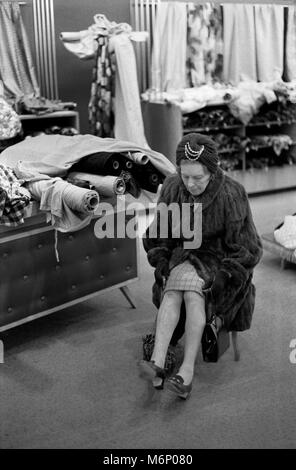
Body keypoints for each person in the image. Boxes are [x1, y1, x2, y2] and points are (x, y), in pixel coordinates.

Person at [139, 132, 263, 399]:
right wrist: (161, 257)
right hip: (184, 255)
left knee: (194, 296)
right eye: (185, 176)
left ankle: (186, 370)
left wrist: (228, 273)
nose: (191, 184)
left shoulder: (231, 193)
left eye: (198, 178)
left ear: (212, 170)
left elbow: (247, 246)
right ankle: (158, 363)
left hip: (219, 259)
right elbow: (158, 232)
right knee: (173, 292)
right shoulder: (173, 187)